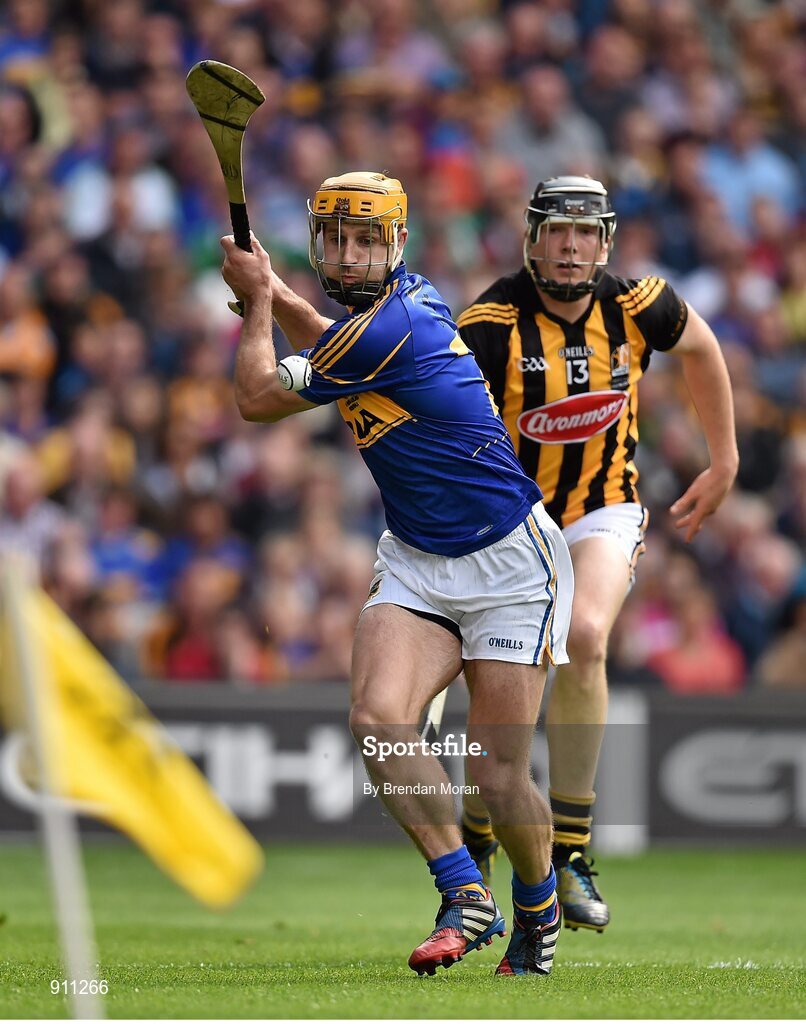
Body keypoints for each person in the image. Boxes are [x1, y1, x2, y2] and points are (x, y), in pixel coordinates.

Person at [220, 171, 575, 977]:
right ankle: (462, 891)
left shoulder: (400, 323)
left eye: (365, 240)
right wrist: (267, 284)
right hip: (417, 560)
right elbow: (324, 344)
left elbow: (254, 395)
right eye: (335, 238)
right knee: (378, 716)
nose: (346, 255)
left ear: (399, 245)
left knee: (496, 774)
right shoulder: (372, 327)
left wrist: (257, 301)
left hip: (511, 565)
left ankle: (538, 904)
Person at [456, 176, 739, 931]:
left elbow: (704, 349)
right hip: (511, 523)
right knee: (501, 691)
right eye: (556, 231)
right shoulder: (488, 322)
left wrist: (725, 459)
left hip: (602, 508)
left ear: (606, 241)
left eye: (585, 233)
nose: (571, 246)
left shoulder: (640, 305)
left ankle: (571, 853)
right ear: (531, 239)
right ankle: (478, 839)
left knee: (584, 638)